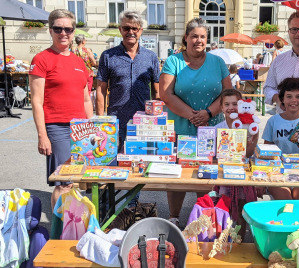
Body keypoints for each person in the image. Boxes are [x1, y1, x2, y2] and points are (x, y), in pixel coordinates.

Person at [159, 17, 232, 226]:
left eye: (202, 37)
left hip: (210, 127)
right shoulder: (174, 61)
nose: (198, 40)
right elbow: (165, 93)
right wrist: (192, 114)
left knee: (206, 174)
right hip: (180, 126)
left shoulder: (217, 62)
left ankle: (203, 217)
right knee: (177, 175)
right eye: (194, 36)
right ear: (186, 38)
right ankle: (173, 216)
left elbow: (228, 93)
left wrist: (208, 113)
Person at [29, 9, 93, 211]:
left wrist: (92, 128)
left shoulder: (79, 62)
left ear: (74, 31)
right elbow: (36, 101)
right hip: (58, 127)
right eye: (58, 28)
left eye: (68, 29)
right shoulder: (41, 59)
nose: (63, 33)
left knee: (79, 180)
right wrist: (42, 135)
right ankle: (59, 232)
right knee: (63, 182)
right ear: (50, 30)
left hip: (81, 129)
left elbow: (85, 100)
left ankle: (73, 224)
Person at [96, 10, 160, 148]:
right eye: (126, 28)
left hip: (143, 121)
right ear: (120, 30)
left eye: (134, 28)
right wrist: (100, 121)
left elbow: (157, 91)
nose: (130, 31)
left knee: (142, 160)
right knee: (114, 162)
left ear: (141, 31)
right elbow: (101, 90)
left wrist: (156, 119)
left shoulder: (151, 57)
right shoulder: (108, 56)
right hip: (116, 120)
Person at [213, 89, 260, 238]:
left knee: (242, 207)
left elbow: (250, 153)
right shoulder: (218, 128)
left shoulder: (251, 127)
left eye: (235, 103)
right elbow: (214, 155)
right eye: (227, 104)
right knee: (223, 207)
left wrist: (248, 140)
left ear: (241, 105)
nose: (231, 107)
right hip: (223, 175)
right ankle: (223, 238)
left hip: (242, 174)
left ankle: (239, 239)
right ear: (221, 107)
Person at [262, 77, 299, 200]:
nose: (294, 100)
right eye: (289, 96)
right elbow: (266, 152)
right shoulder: (273, 121)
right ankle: (284, 220)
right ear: (282, 99)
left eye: (298, 96)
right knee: (285, 198)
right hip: (278, 172)